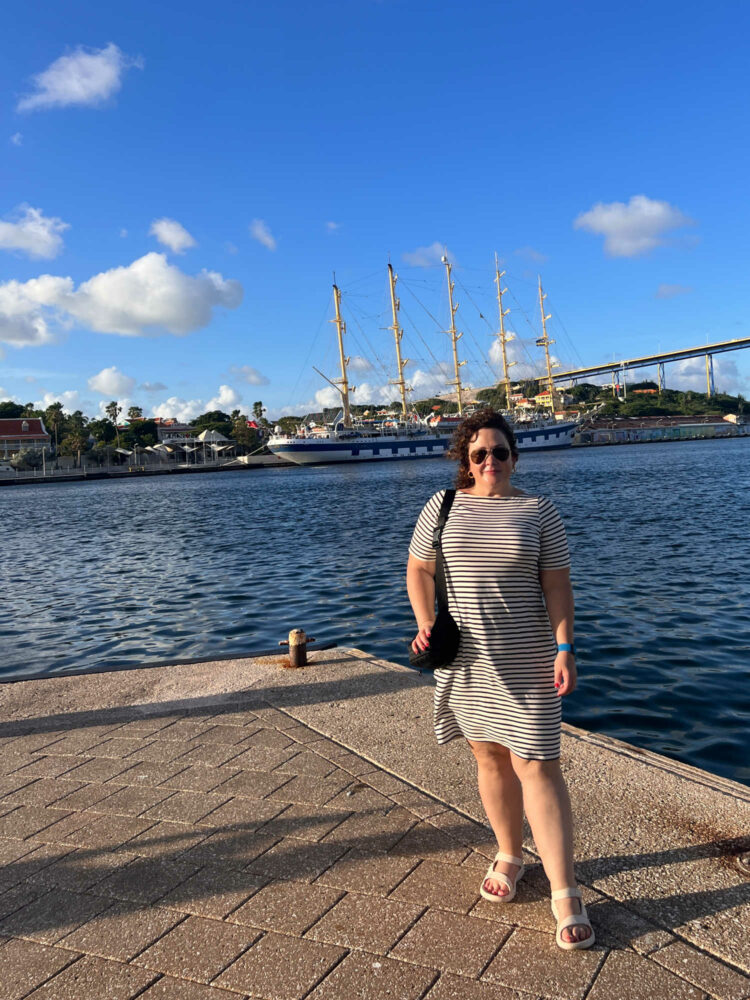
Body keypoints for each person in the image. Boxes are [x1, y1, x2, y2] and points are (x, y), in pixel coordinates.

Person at [406, 409, 594, 950]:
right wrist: (425, 621)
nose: (491, 461)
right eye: (479, 453)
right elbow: (419, 570)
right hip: (467, 662)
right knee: (488, 757)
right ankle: (509, 853)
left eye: (500, 451)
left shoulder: (540, 512)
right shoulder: (441, 507)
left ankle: (565, 890)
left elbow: (558, 586)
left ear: (515, 456)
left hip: (530, 660)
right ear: (465, 460)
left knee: (537, 765)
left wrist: (565, 648)